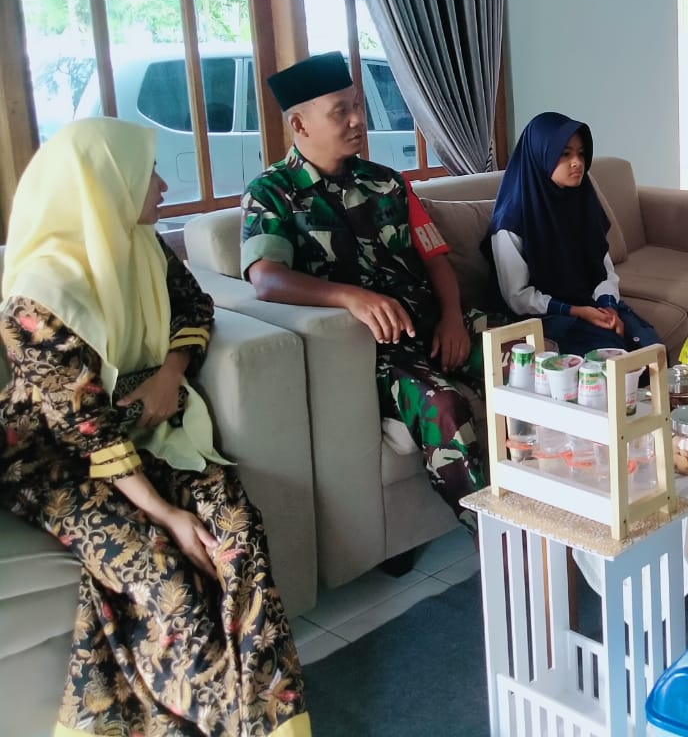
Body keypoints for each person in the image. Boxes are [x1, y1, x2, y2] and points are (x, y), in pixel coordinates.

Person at [1, 119, 309, 737]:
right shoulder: (35, 300)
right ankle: (229, 722)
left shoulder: (142, 244)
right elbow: (87, 432)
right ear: (105, 186)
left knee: (237, 531)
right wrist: (167, 515)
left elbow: (195, 306)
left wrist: (171, 374)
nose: (163, 184)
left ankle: (274, 724)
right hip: (55, 461)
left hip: (151, 426)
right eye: (148, 173)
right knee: (163, 570)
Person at [240, 52, 484, 528]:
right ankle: (499, 544)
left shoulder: (388, 182)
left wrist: (453, 317)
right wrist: (350, 296)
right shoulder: (272, 192)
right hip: (376, 351)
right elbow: (265, 277)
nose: (357, 119)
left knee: (532, 355)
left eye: (357, 105)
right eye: (341, 111)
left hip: (435, 325)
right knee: (444, 406)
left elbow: (435, 257)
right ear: (299, 123)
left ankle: (570, 504)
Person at [484, 112, 660, 358]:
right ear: (541, 155)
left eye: (581, 153)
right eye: (565, 154)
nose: (577, 162)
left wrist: (608, 306)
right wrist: (577, 311)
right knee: (613, 356)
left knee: (651, 347)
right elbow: (518, 297)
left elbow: (603, 267)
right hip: (542, 315)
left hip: (588, 303)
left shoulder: (582, 201)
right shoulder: (512, 220)